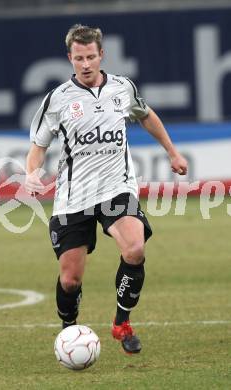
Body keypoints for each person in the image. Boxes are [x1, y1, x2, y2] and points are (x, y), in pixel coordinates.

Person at [25, 24, 187, 354]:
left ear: (102, 55)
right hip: (73, 196)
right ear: (69, 58)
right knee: (70, 279)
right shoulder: (57, 100)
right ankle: (69, 333)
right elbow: (38, 144)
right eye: (78, 58)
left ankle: (121, 323)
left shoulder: (121, 88)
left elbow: (145, 115)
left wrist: (172, 151)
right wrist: (31, 173)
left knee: (135, 250)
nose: (85, 64)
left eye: (91, 56)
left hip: (116, 188)